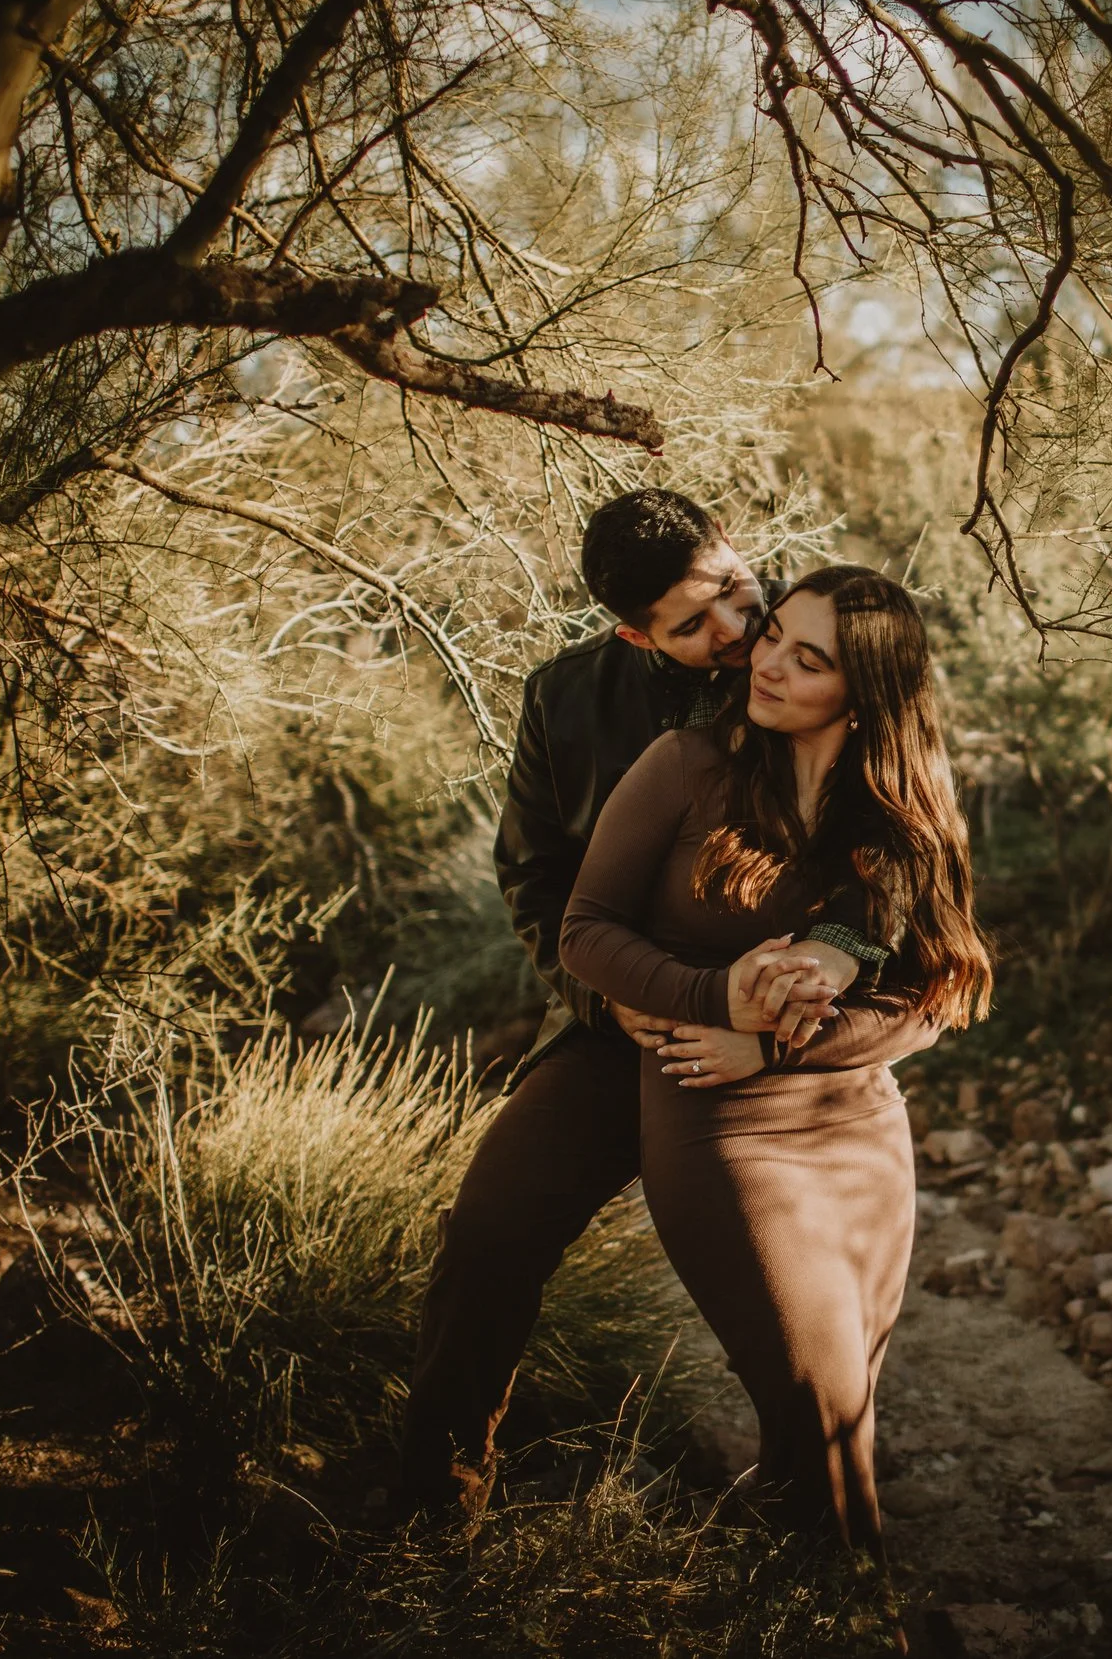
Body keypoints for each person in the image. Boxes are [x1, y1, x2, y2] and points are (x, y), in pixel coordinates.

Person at [396, 491, 883, 1516]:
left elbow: (887, 846)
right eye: (692, 625)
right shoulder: (566, 698)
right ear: (634, 634)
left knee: (797, 1317)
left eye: (735, 590)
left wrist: (822, 974)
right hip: (623, 1024)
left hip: (786, 1037)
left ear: (737, 545)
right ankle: (431, 1499)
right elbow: (534, 880)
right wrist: (607, 1004)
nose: (736, 632)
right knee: (489, 1229)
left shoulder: (809, 650)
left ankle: (815, 1526)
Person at [559, 565, 992, 1550]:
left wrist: (772, 1044)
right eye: (773, 636)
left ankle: (788, 1595)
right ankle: (852, 1601)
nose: (767, 663)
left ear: (863, 693)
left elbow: (928, 1002)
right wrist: (716, 998)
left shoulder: (899, 808)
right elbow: (585, 931)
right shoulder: (686, 764)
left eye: (809, 658)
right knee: (819, 1392)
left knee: (843, 1406)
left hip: (854, 1126)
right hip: (717, 1122)